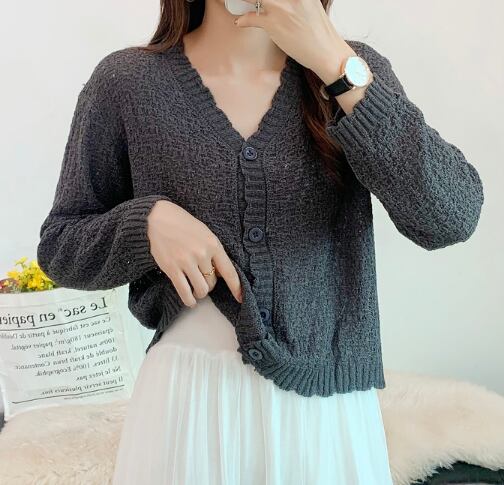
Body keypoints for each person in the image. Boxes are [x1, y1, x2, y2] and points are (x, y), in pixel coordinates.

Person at [36, 0, 484, 482]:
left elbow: (450, 217)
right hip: (187, 406)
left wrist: (335, 65)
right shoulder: (127, 83)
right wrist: (145, 224)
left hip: (325, 412)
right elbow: (61, 246)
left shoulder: (350, 71)